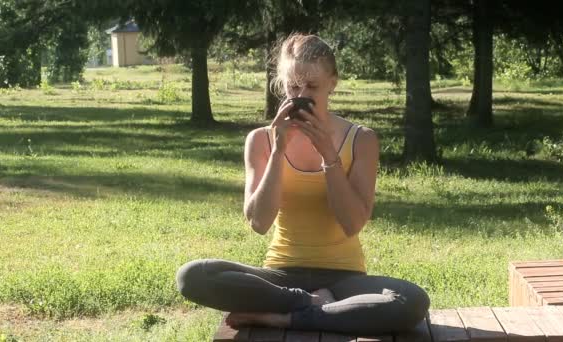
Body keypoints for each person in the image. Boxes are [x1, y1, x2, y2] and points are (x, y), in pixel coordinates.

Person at [176, 33, 430, 335]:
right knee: (193, 275)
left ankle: (290, 317)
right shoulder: (261, 140)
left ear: (332, 83)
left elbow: (352, 223)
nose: (300, 96)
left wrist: (328, 156)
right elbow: (259, 222)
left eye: (312, 87)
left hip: (344, 278)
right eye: (293, 87)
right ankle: (305, 303)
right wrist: (279, 151)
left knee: (412, 300)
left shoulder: (361, 139)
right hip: (279, 276)